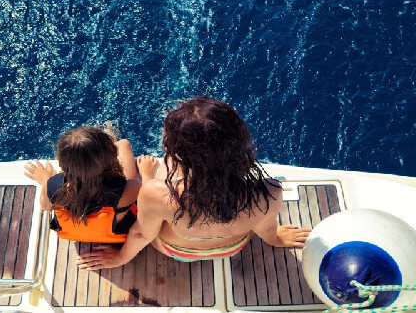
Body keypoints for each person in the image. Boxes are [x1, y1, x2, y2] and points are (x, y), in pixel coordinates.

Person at [76, 96, 311, 268]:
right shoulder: (269, 190)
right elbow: (265, 229)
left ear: (178, 151)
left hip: (178, 251)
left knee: (165, 166)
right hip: (233, 248)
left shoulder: (156, 193)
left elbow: (141, 235)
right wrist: (277, 239)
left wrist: (120, 258)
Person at [24, 125, 154, 243]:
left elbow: (46, 206)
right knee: (124, 144)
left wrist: (46, 179)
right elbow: (149, 204)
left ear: (62, 163)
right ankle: (108, 139)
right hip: (113, 234)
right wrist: (146, 174)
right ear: (113, 157)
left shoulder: (52, 186)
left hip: (74, 235)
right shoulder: (128, 189)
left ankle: (99, 145)